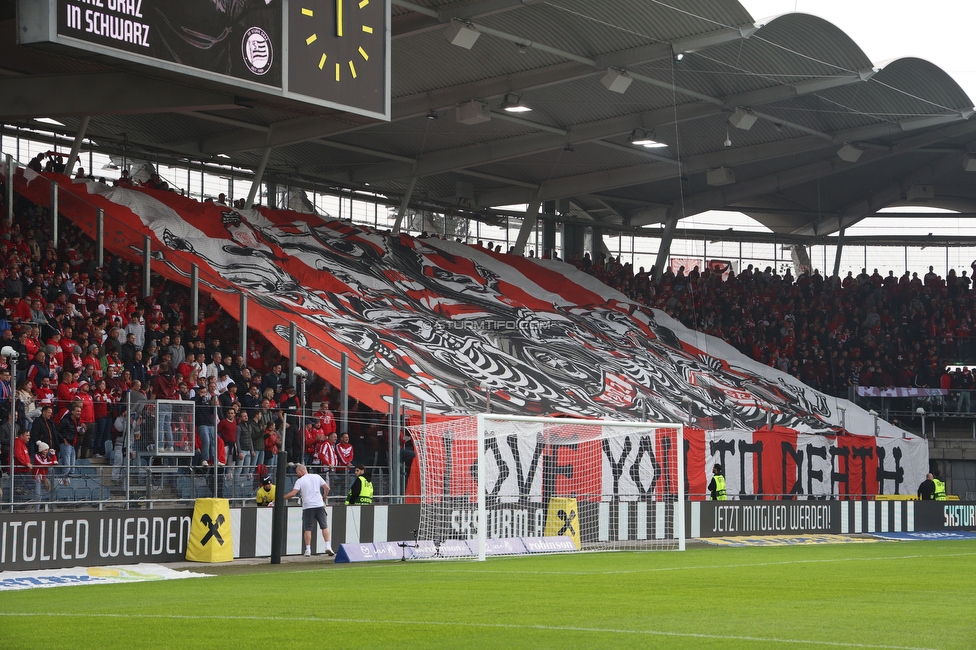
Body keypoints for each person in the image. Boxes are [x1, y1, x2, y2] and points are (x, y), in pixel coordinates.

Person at [282, 464, 334, 557]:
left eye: (297, 472)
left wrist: (282, 498)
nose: (296, 474)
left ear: (301, 471)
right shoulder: (317, 477)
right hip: (319, 505)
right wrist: (324, 497)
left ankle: (308, 549)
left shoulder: (300, 481)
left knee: (308, 529)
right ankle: (328, 546)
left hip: (308, 507)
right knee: (324, 526)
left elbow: (293, 493)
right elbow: (327, 488)